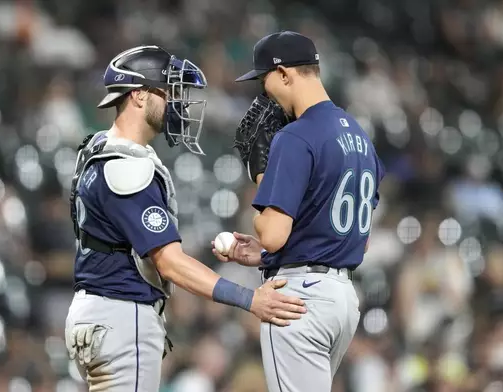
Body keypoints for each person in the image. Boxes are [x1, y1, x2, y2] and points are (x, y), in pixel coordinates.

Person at [64, 45, 307, 392]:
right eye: (166, 92)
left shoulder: (97, 148)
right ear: (137, 96)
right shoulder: (127, 168)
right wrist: (250, 299)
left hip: (96, 312)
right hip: (120, 316)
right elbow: (170, 263)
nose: (176, 104)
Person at [213, 31, 386, 392]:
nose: (265, 93)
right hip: (342, 300)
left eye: (265, 81)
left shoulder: (295, 137)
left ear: (285, 74)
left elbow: (273, 234)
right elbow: (360, 242)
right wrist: (261, 256)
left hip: (298, 299)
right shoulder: (359, 136)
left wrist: (261, 175)